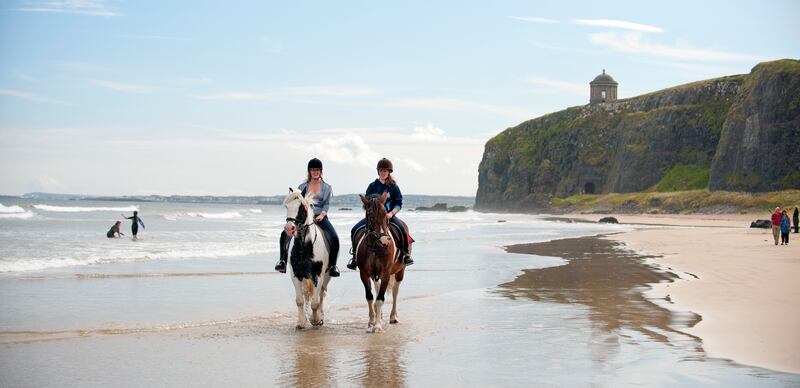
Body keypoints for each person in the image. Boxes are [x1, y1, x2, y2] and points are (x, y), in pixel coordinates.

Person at [275, 158, 340, 277]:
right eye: (313, 170)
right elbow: (297, 202)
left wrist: (322, 214)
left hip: (320, 217)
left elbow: (326, 204)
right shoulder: (302, 186)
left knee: (334, 237)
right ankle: (282, 261)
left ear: (321, 171)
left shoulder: (327, 187)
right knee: (285, 234)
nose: (315, 172)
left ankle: (332, 266)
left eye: (317, 170)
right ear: (309, 171)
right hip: (303, 218)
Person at [347, 158, 414, 270]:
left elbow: (398, 203)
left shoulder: (394, 187)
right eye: (381, 170)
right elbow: (367, 204)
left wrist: (391, 214)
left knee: (402, 229)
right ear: (378, 171)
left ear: (389, 172)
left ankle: (405, 255)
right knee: (354, 229)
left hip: (388, 216)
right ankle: (354, 258)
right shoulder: (372, 186)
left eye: (385, 171)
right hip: (373, 217)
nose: (383, 173)